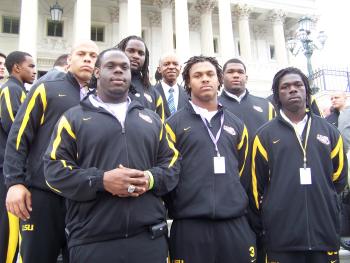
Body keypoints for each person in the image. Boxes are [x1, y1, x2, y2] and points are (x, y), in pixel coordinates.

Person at [44, 48, 180, 263]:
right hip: (92, 240)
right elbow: (53, 171)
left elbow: (172, 165)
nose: (119, 71)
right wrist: (102, 181)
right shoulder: (73, 118)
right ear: (97, 72)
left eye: (124, 67)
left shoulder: (152, 119)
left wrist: (150, 179)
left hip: (148, 238)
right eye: (111, 66)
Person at [4, 40, 99, 263]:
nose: (87, 58)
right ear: (69, 60)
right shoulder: (46, 88)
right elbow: (19, 136)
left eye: (93, 56)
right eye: (81, 54)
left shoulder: (101, 98)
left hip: (85, 196)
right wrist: (15, 183)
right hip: (43, 193)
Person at [165, 55, 256, 263]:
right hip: (190, 226)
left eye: (210, 74)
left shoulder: (237, 125)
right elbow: (169, 174)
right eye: (197, 75)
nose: (205, 79)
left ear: (219, 80)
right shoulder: (173, 125)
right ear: (188, 82)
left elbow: (244, 173)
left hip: (234, 224)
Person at [251, 67, 347, 263]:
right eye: (285, 87)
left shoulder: (329, 132)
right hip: (281, 240)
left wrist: (324, 203)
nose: (292, 90)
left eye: (298, 85)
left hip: (324, 235)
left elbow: (339, 179)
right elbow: (255, 186)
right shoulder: (264, 135)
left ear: (307, 91)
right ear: (277, 95)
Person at [0, 51, 36, 263]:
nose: (34, 71)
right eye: (30, 66)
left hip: (15, 168)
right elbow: (18, 129)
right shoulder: (10, 90)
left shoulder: (20, 90)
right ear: (16, 68)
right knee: (10, 228)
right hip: (8, 169)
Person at [115, 35, 165, 121]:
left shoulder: (153, 93)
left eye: (141, 53)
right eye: (131, 51)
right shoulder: (105, 85)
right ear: (121, 52)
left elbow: (161, 128)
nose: (136, 56)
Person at [154, 53, 188, 119]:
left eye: (175, 64)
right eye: (166, 64)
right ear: (159, 69)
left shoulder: (188, 95)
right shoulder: (152, 93)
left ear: (180, 68)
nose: (171, 67)